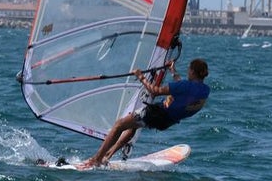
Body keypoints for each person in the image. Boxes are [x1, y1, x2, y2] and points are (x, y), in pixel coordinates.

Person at [78, 57, 209, 169]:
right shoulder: (204, 90)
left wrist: (141, 77)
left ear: (192, 71)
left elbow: (155, 91)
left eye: (189, 69)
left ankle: (96, 159)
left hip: (156, 115)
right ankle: (107, 156)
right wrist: (172, 70)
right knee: (133, 126)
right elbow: (182, 87)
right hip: (167, 122)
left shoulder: (185, 86)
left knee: (119, 124)